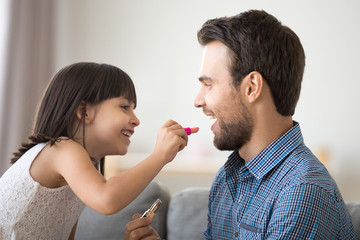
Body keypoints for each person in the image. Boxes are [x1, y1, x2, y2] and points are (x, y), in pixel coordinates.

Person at [125, 9, 355, 239]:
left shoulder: (302, 193)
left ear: (252, 87)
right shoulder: (228, 177)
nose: (197, 101)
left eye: (209, 84)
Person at [0, 62, 198, 240]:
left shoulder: (76, 171)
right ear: (84, 112)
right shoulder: (62, 149)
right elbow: (107, 199)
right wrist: (160, 156)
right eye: (124, 107)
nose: (136, 120)